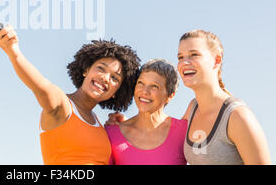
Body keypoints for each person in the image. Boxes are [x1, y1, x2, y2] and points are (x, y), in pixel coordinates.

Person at [0, 25, 141, 165]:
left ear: (116, 92)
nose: (105, 78)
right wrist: (13, 51)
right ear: (86, 70)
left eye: (115, 78)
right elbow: (40, 86)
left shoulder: (99, 124)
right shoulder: (62, 105)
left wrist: (120, 130)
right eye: (101, 68)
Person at [178, 29, 271, 165]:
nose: (184, 63)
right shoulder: (193, 108)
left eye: (194, 55)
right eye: (180, 57)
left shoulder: (238, 116)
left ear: (217, 60)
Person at [105, 59, 187, 165]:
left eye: (154, 86)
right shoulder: (112, 133)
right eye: (141, 83)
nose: (144, 91)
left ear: (170, 96)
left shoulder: (184, 131)